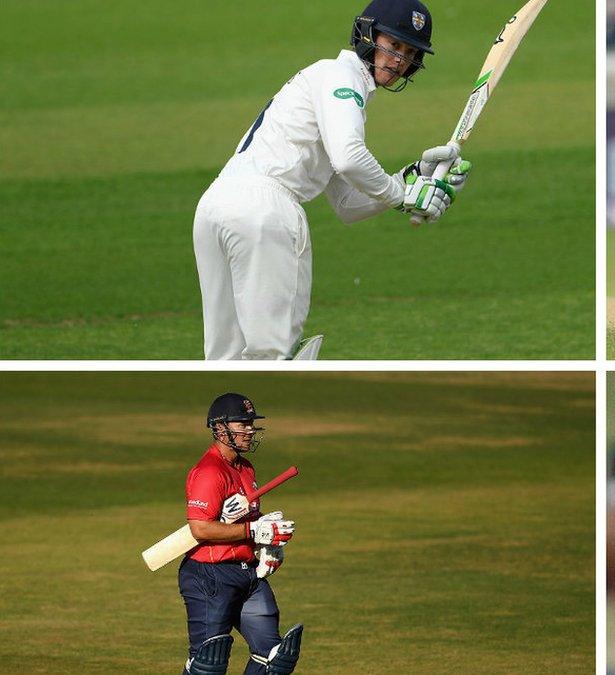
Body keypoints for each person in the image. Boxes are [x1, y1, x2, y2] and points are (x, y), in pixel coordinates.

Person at [193, 0, 470, 360]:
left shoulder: (324, 84)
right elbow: (350, 157)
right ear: (368, 35)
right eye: (393, 44)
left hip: (215, 207)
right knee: (273, 356)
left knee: (224, 358)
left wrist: (413, 176)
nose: (399, 59)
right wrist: (403, 196)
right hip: (266, 212)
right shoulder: (342, 78)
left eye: (409, 51)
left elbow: (347, 206)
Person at [179, 393, 302, 674]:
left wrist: (266, 545)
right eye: (243, 423)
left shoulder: (245, 468)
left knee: (274, 659)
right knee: (208, 663)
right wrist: (252, 529)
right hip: (209, 575)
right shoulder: (209, 472)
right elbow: (200, 528)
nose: (250, 429)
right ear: (220, 429)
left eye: (251, 423)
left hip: (247, 574)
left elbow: (251, 521)